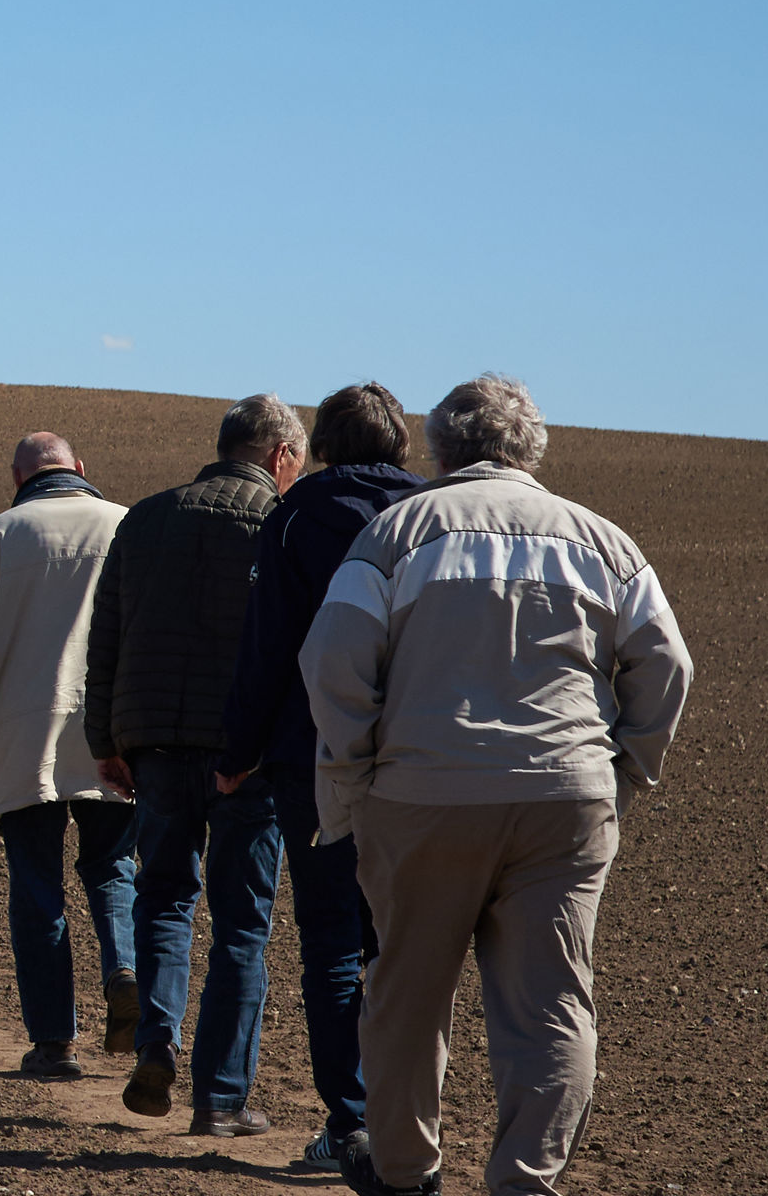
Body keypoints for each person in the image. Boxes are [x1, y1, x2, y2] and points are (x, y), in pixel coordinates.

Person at [304, 376, 690, 1196]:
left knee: (406, 995)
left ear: (440, 448)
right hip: (565, 801)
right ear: (532, 449)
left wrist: (354, 775)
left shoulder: (398, 532)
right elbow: (668, 666)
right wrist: (624, 772)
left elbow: (332, 659)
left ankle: (405, 1173)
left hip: (421, 797)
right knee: (552, 1007)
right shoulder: (604, 542)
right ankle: (526, 1179)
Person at [220, 383, 424, 1173]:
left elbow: (266, 646)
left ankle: (351, 1124)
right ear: (401, 441)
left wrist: (235, 753)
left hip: (312, 760)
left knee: (332, 942)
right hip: (419, 759)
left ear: (326, 444)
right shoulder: (433, 515)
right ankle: (407, 1118)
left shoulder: (297, 515)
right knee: (403, 947)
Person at [86, 395, 304, 1134]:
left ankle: (156, 1040)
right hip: (244, 755)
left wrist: (105, 739)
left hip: (154, 743)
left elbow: (105, 634)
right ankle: (220, 1099)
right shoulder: (280, 527)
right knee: (242, 925)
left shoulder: (144, 517)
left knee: (164, 896)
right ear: (280, 455)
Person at [0, 433, 140, 1080]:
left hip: (24, 741)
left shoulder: (0, 535)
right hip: (114, 738)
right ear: (80, 469)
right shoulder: (127, 526)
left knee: (37, 886)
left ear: (17, 477)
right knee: (113, 867)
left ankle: (54, 1044)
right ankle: (124, 968)